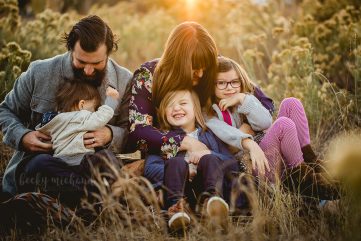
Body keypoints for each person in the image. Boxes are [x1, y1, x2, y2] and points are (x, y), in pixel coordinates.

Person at [0, 15, 133, 198]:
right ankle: (92, 201)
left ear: (109, 53)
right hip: (47, 167)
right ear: (70, 49)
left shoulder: (125, 81)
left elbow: (132, 131)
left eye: (96, 63)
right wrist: (22, 137)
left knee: (107, 162)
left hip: (91, 166)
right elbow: (5, 111)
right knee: (40, 165)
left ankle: (71, 206)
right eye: (81, 62)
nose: (88, 70)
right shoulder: (39, 72)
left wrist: (110, 134)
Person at [128, 22, 251, 191]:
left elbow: (263, 101)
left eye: (204, 68)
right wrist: (187, 143)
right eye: (194, 69)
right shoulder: (148, 75)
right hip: (167, 161)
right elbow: (138, 132)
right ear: (176, 61)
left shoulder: (207, 60)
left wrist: (242, 132)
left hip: (216, 149)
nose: (201, 74)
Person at [207, 56, 338, 199]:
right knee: (283, 124)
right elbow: (228, 136)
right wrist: (246, 137)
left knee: (291, 103)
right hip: (258, 163)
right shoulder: (211, 114)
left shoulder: (243, 99)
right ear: (211, 85)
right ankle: (304, 182)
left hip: (268, 148)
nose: (229, 87)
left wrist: (243, 99)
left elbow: (265, 122)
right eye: (221, 83)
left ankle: (311, 161)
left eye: (234, 82)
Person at [157, 89, 240, 231]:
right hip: (180, 191)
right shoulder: (162, 138)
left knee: (209, 159)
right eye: (170, 105)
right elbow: (151, 168)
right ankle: (177, 211)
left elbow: (232, 164)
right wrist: (181, 171)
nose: (176, 108)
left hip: (206, 186)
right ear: (164, 112)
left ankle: (213, 203)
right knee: (176, 163)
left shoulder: (209, 135)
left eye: (183, 103)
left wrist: (208, 152)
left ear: (196, 109)